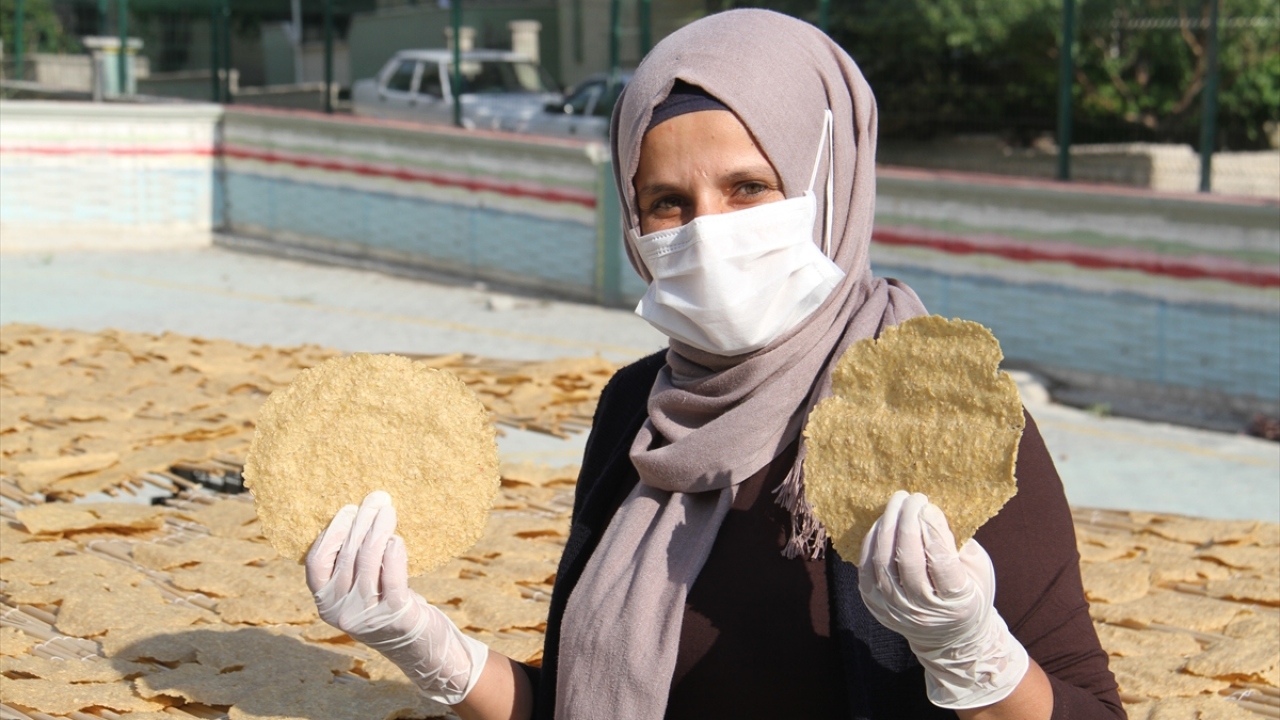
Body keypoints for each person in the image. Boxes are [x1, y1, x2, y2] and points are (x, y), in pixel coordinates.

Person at [303, 9, 1126, 720]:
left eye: (747, 188)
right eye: (669, 202)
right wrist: (420, 640)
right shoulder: (638, 409)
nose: (707, 231)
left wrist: (973, 653)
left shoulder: (937, 417)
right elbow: (585, 699)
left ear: (830, 185)